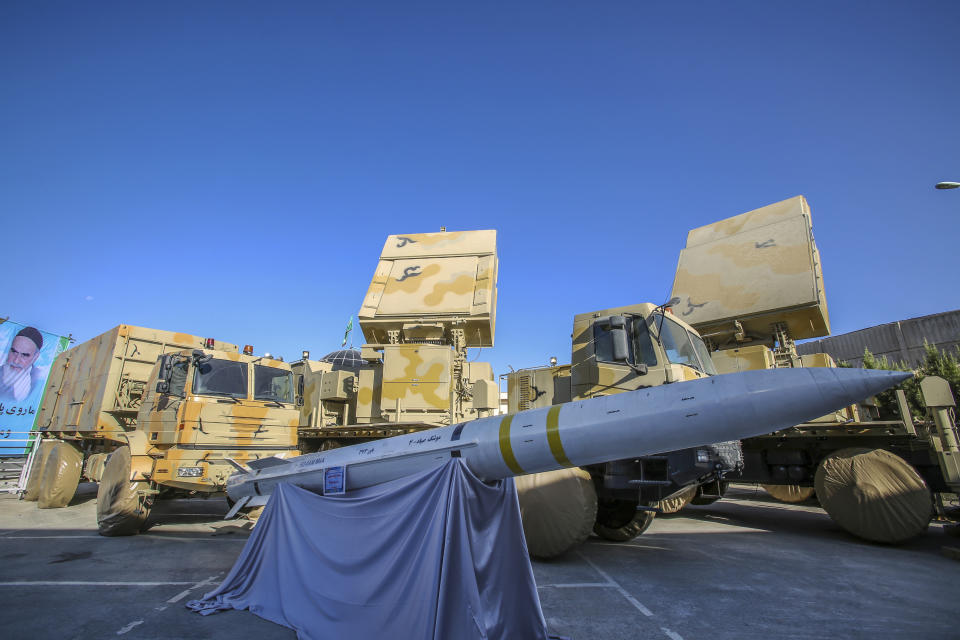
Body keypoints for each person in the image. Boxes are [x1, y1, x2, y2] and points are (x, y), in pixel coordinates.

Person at [0, 327, 46, 403]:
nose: (16, 360)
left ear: (35, 357)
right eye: (14, 351)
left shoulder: (41, 380)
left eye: (24, 355)